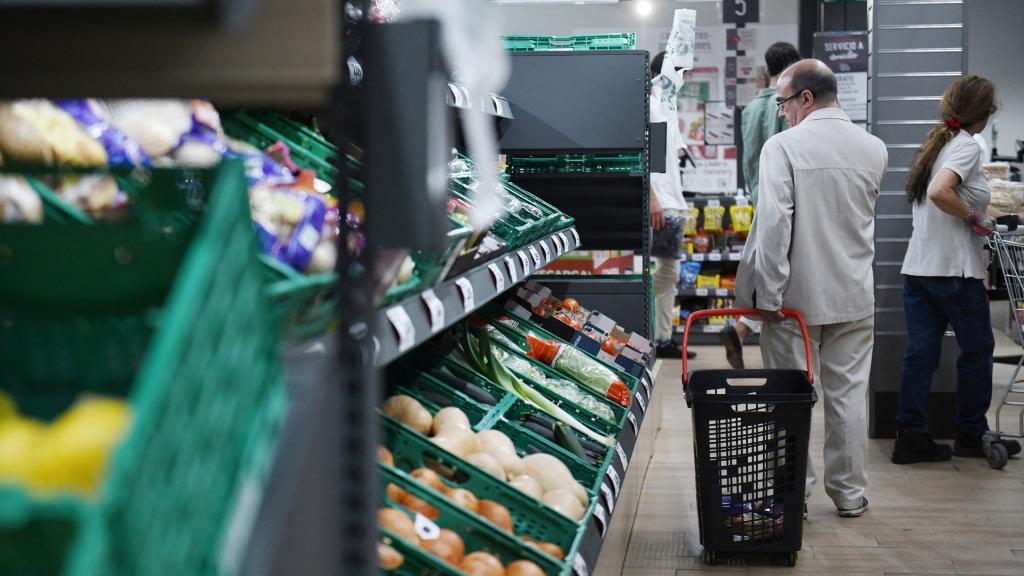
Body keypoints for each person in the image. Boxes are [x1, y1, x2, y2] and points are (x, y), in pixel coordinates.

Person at [735, 59, 888, 518]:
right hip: (854, 295)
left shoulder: (782, 148)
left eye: (783, 102)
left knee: (788, 397)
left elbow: (776, 226)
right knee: (848, 398)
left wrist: (770, 296)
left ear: (806, 98)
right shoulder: (874, 148)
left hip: (793, 302)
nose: (780, 112)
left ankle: (791, 492)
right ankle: (848, 494)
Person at [893, 75, 1022, 464]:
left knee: (921, 354)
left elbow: (952, 199)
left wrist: (1002, 217)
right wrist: (973, 216)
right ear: (984, 114)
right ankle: (970, 433)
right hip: (954, 271)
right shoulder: (966, 146)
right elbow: (940, 194)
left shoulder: (937, 144)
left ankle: (911, 436)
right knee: (978, 350)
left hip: (919, 268)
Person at [720, 42, 801, 369]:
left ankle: (741, 328)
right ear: (795, 66)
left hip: (758, 197)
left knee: (764, 267)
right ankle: (754, 331)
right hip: (787, 199)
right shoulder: (789, 105)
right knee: (783, 278)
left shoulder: (752, 107)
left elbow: (749, 160)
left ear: (766, 70)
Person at [649, 51, 695, 359]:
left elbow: (673, 154)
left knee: (669, 273)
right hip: (662, 203)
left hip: (672, 201)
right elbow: (646, 154)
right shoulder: (651, 104)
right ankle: (641, 322)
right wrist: (652, 197)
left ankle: (663, 338)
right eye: (681, 74)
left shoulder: (666, 105)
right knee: (666, 272)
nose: (683, 80)